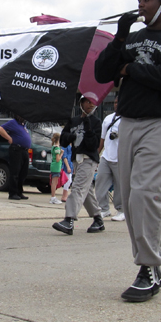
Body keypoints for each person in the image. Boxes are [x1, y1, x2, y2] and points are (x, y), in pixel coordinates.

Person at [94, 0, 161, 302]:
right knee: (126, 197)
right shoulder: (133, 39)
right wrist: (120, 37)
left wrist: (130, 69)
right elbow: (101, 72)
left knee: (144, 194)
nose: (141, 4)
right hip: (129, 122)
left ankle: (148, 267)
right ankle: (150, 266)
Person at [52, 96, 103, 235]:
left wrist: (88, 127)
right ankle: (98, 219)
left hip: (89, 160)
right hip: (76, 160)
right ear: (81, 103)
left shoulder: (96, 122)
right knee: (85, 191)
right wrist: (71, 137)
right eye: (87, 101)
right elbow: (62, 139)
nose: (90, 104)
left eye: (92, 102)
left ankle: (69, 220)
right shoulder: (74, 121)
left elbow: (94, 145)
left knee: (78, 188)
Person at [95, 98, 122, 218]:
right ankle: (104, 208)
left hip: (120, 158)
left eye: (119, 102)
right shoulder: (108, 118)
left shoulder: (129, 120)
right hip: (106, 156)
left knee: (120, 186)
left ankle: (122, 210)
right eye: (115, 102)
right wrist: (97, 154)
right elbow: (102, 138)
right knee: (100, 182)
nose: (117, 104)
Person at [0, 116, 31, 201]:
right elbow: (0, 129)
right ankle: (13, 193)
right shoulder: (13, 122)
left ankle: (19, 192)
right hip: (16, 149)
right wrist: (9, 138)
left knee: (23, 172)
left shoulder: (23, 125)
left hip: (25, 150)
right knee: (15, 171)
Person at [48, 132, 64, 205]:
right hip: (56, 166)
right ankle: (53, 197)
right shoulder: (57, 148)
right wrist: (61, 154)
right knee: (54, 182)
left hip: (53, 165)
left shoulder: (53, 147)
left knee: (53, 182)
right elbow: (58, 159)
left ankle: (53, 197)